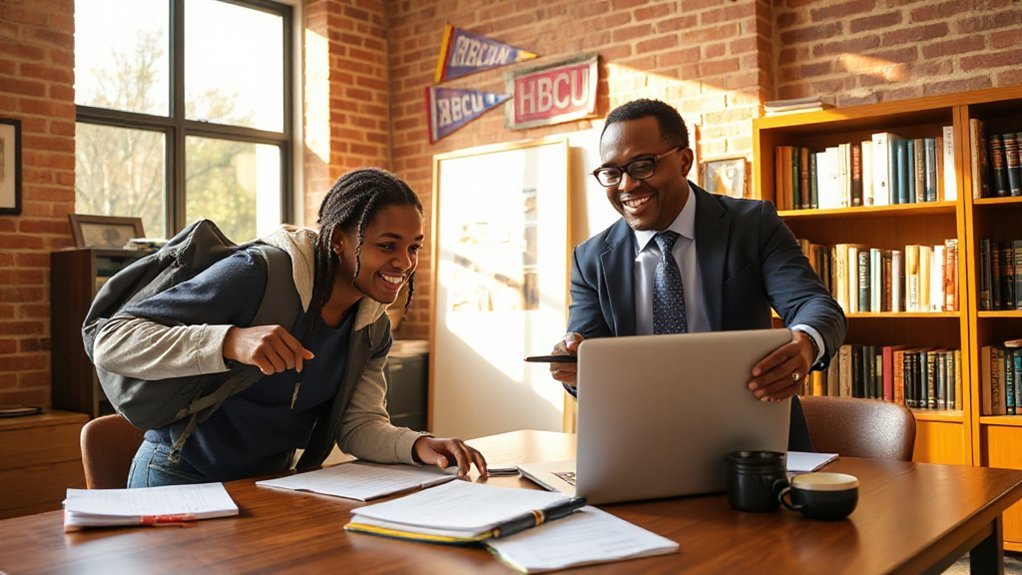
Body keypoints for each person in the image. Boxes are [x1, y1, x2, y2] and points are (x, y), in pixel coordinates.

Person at [94, 168, 487, 487]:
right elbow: (112, 341)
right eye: (387, 245)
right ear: (338, 241)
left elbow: (359, 426)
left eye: (413, 246)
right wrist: (229, 341)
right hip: (179, 477)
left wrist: (418, 444)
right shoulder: (257, 275)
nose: (404, 261)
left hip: (269, 485)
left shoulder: (372, 328)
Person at [548, 99, 846, 447]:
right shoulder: (591, 259)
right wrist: (574, 370)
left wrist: (807, 343)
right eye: (612, 173)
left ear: (684, 161)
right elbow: (588, 361)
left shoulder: (753, 225)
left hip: (754, 444)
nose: (626, 186)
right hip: (643, 447)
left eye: (642, 166)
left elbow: (814, 304)